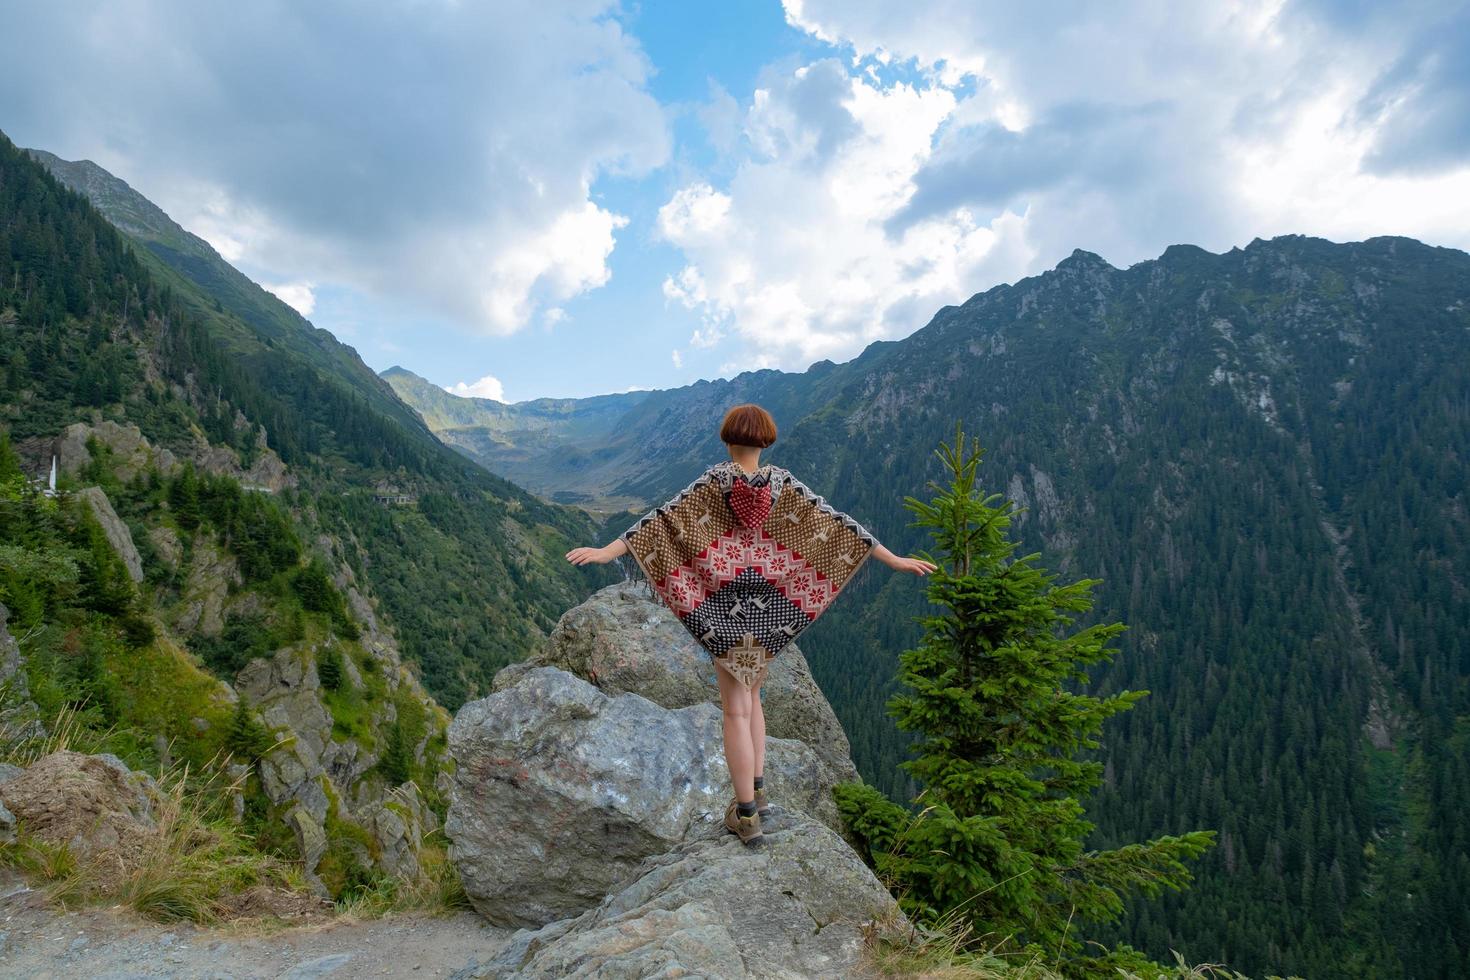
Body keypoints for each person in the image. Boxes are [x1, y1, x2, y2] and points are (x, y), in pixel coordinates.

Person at [566, 404, 936, 846]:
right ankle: (757, 794)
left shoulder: (712, 483)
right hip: (770, 616)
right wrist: (891, 558)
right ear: (767, 442)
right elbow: (839, 528)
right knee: (753, 699)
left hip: (723, 614)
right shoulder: (785, 487)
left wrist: (609, 552)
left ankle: (745, 815)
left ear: (727, 440)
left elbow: (662, 524)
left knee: (735, 710)